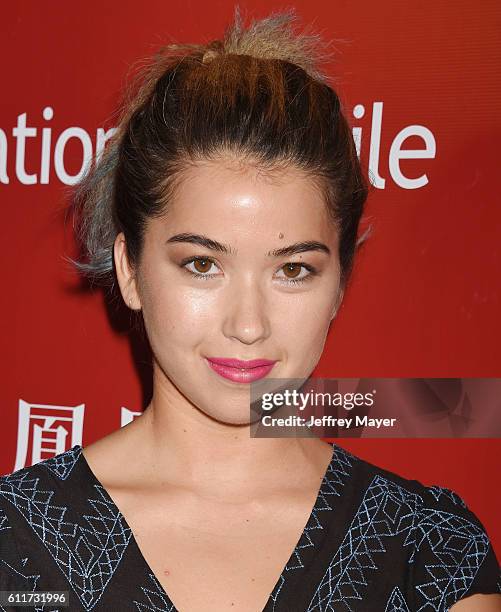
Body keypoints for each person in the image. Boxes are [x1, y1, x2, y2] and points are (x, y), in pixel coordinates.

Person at [1, 8, 500, 612]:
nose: (248, 324)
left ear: (339, 282)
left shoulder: (427, 554)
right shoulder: (16, 541)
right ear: (130, 269)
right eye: (202, 265)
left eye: (293, 270)